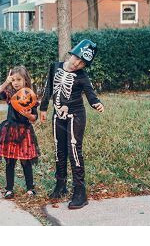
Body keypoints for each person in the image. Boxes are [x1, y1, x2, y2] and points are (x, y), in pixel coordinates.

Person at [40, 39, 104, 209]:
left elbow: (90, 93)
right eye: (77, 58)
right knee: (58, 150)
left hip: (75, 115)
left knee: (74, 150)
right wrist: (44, 107)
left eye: (83, 63)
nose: (78, 64)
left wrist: (96, 103)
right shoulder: (55, 67)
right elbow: (48, 88)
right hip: (57, 115)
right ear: (72, 54)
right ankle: (60, 185)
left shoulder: (82, 76)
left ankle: (80, 191)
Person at [0, 66, 40, 199]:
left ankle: (30, 188)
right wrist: (6, 82)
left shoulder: (30, 96)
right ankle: (9, 189)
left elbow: (35, 117)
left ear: (25, 80)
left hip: (25, 132)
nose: (16, 82)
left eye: (19, 79)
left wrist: (29, 116)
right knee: (10, 162)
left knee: (26, 162)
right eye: (13, 80)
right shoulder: (10, 94)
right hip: (10, 132)